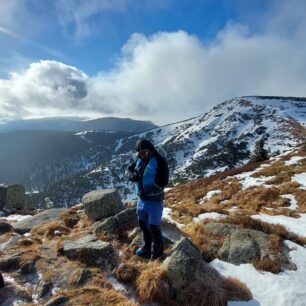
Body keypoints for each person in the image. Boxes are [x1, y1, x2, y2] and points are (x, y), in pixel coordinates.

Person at [126, 139, 169, 260]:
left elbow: (163, 182)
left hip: (154, 201)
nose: (139, 155)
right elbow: (129, 169)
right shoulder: (141, 158)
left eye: (141, 152)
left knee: (154, 227)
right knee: (143, 224)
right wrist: (132, 176)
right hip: (142, 199)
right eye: (137, 153)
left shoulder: (160, 161)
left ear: (149, 150)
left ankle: (157, 253)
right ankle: (146, 247)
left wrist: (148, 191)